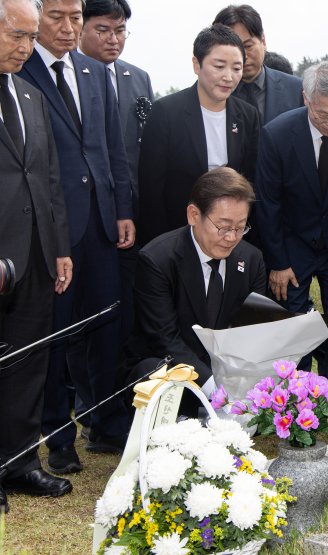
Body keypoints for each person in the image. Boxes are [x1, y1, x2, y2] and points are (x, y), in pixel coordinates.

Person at [19, 0, 135, 473]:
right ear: (36, 16)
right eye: (57, 18)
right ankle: (57, 437)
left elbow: (113, 147)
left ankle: (106, 426)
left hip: (103, 225)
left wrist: (123, 209)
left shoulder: (92, 72)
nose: (68, 29)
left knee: (108, 329)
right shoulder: (18, 71)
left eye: (74, 18)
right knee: (55, 336)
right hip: (51, 231)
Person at [256, 61, 328, 438]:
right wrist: (278, 261)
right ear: (305, 98)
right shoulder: (277, 134)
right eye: (323, 114)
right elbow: (268, 204)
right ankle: (293, 411)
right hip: (291, 248)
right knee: (293, 330)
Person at [0, 0, 73, 508]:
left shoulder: (29, 94)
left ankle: (20, 462)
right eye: (17, 36)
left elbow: (48, 180)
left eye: (30, 38)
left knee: (28, 363)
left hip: (36, 255)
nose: (27, 48)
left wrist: (60, 248)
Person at [78, 0, 153, 424]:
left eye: (121, 30)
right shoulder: (68, 79)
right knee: (92, 320)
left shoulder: (137, 77)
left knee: (127, 316)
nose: (114, 39)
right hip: (90, 220)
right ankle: (92, 412)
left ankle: (122, 405)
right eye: (103, 29)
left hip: (134, 218)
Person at [125, 168, 267, 392]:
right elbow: (165, 340)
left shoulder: (251, 259)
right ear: (193, 215)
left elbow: (253, 328)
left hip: (230, 371)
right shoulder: (157, 261)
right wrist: (216, 390)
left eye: (240, 227)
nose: (231, 238)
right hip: (174, 370)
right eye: (223, 226)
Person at [137, 24, 259, 246]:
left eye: (236, 68)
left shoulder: (248, 116)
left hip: (230, 236)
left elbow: (251, 176)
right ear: (196, 64)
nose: (228, 77)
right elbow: (151, 188)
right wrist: (160, 244)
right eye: (219, 66)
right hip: (177, 232)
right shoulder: (166, 112)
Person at [212, 4, 303, 126]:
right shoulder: (211, 94)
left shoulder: (296, 90)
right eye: (234, 49)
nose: (243, 57)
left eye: (248, 46)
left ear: (263, 41)